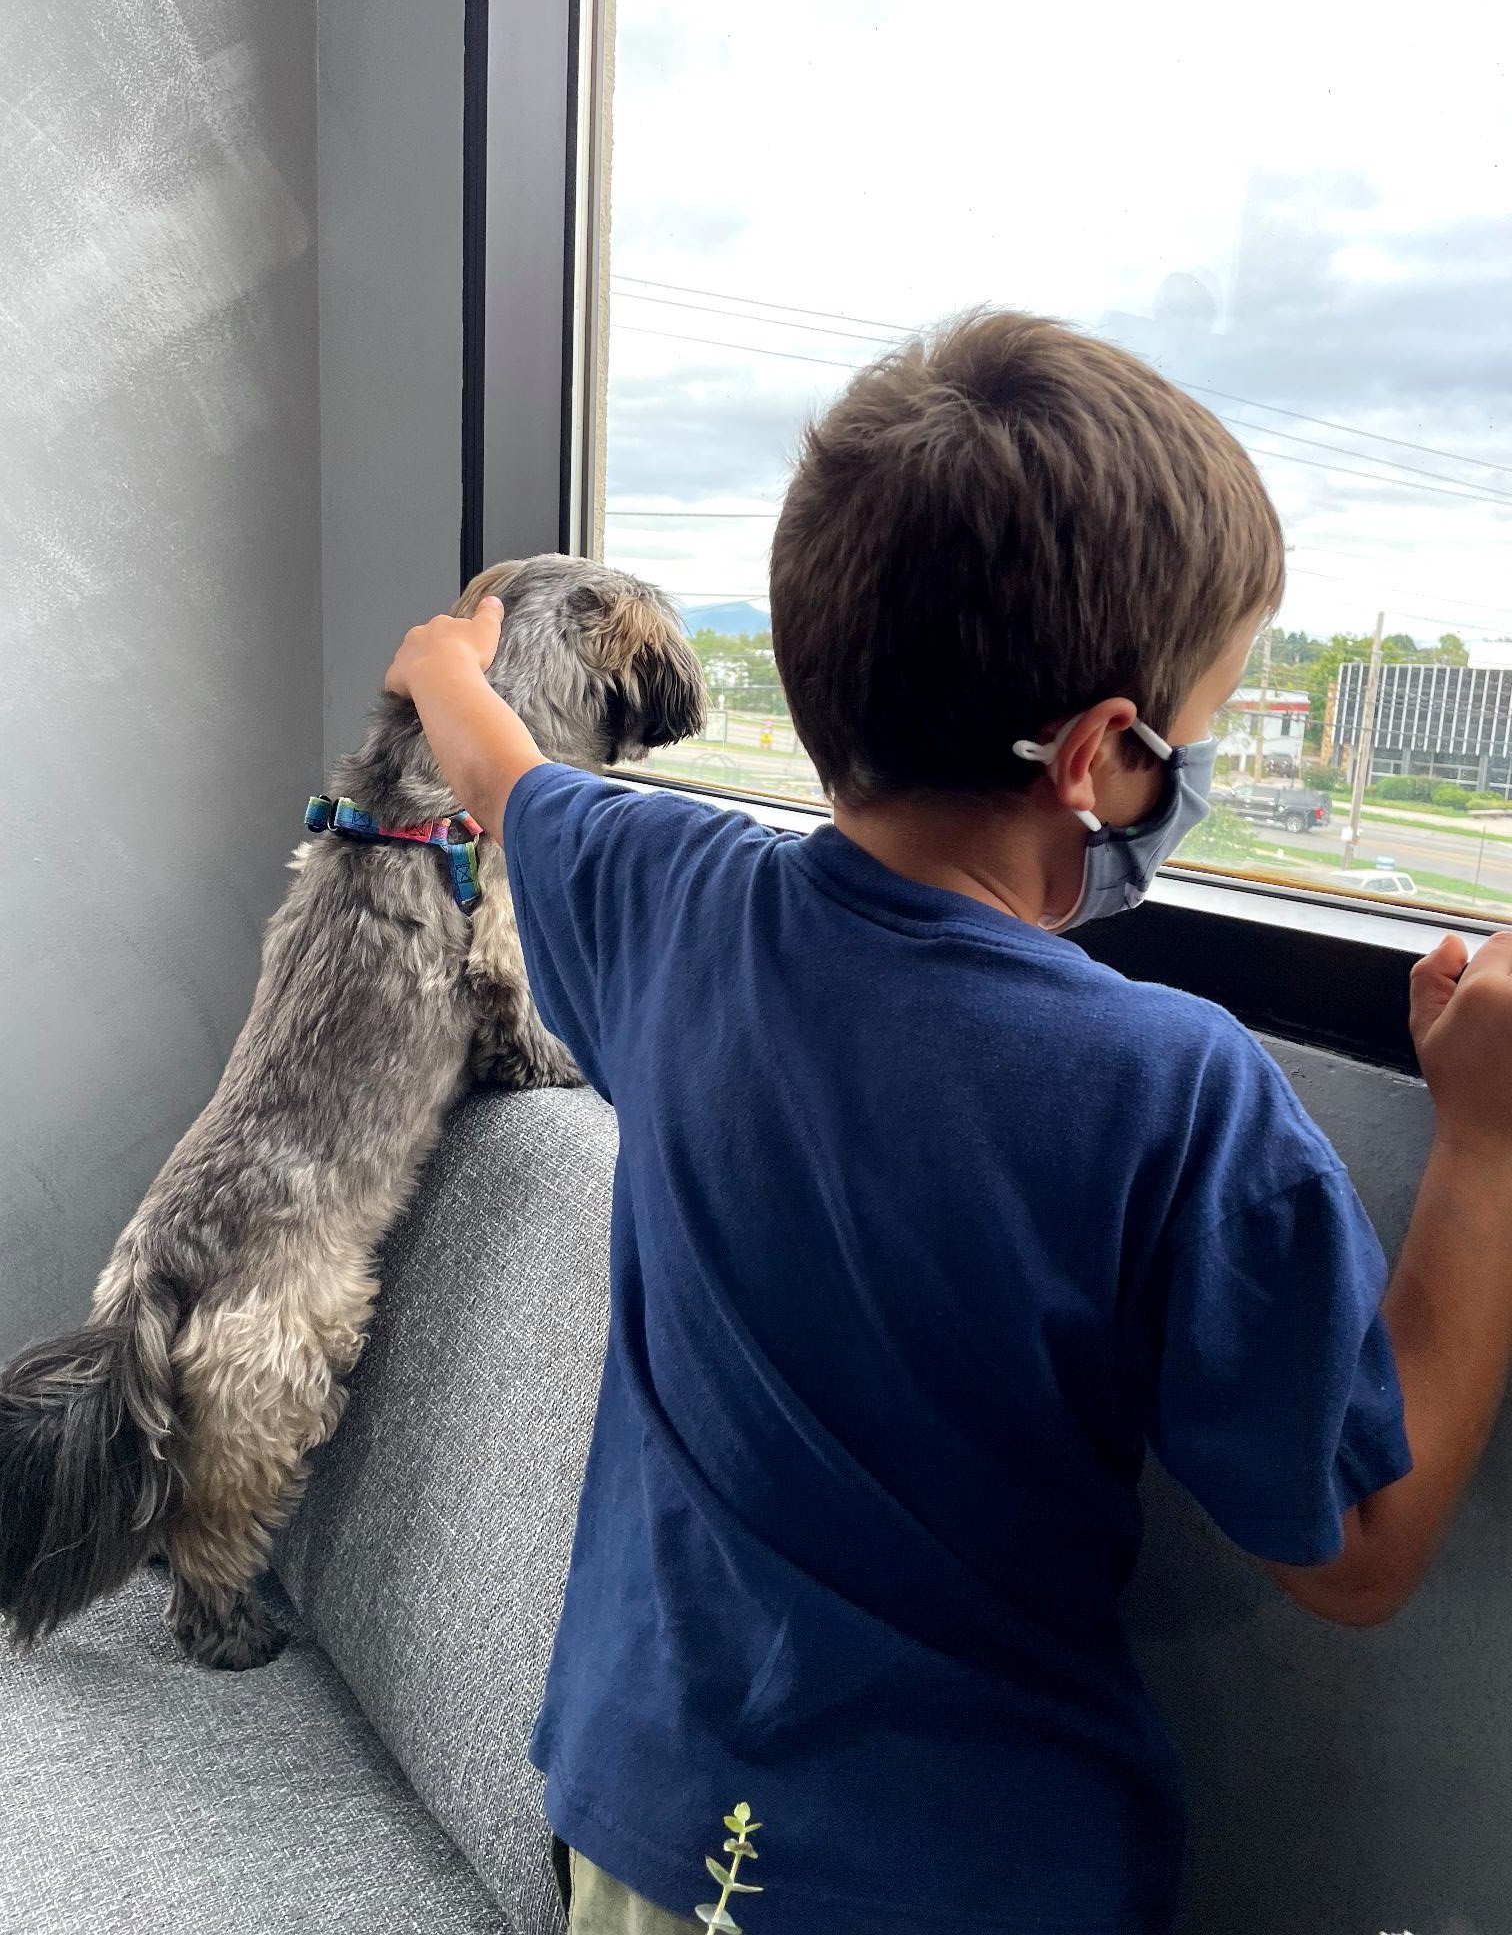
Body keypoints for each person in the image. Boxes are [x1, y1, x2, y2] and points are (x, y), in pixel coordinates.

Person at [384, 312, 1512, 1935]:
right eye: (1201, 721)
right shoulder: (1170, 1089)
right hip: (955, 1878)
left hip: (642, 1830)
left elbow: (508, 780)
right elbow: (1357, 1543)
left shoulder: (673, 899)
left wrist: (442, 666)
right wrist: (1480, 1142)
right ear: (1103, 759)